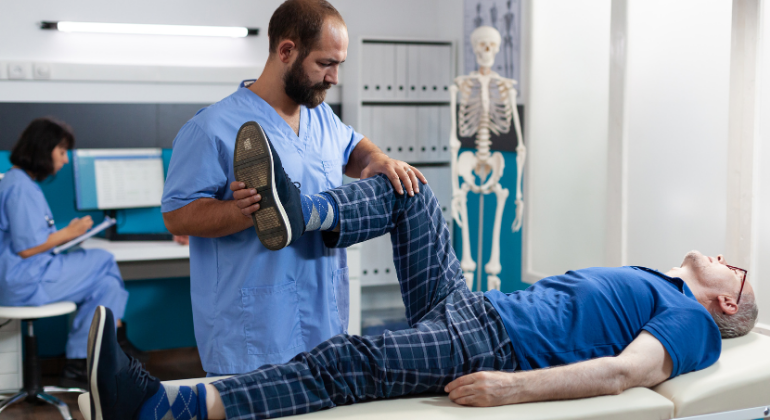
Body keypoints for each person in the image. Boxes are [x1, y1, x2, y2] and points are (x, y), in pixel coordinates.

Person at [88, 128, 758, 420]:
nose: (724, 253)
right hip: (473, 306)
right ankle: (303, 212)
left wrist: (512, 391)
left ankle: (160, 407)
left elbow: (625, 374)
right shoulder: (660, 281)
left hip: (493, 348)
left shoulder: (693, 322)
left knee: (347, 361)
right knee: (409, 191)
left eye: (738, 266)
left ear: (727, 298)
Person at [161, 0, 426, 376]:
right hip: (254, 329)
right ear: (286, 51)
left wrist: (376, 159)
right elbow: (175, 216)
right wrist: (239, 212)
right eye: (325, 64)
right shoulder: (211, 127)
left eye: (339, 65)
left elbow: (352, 148)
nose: (334, 78)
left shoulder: (321, 117)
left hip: (324, 326)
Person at [0, 117, 145, 389]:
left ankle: (82, 363)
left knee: (105, 284)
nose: (65, 160)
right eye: (62, 152)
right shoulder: (19, 187)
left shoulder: (17, 181)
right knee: (104, 259)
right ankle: (108, 344)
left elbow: (33, 239)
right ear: (44, 149)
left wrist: (68, 235)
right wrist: (71, 232)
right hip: (25, 281)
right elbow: (27, 248)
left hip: (26, 275)